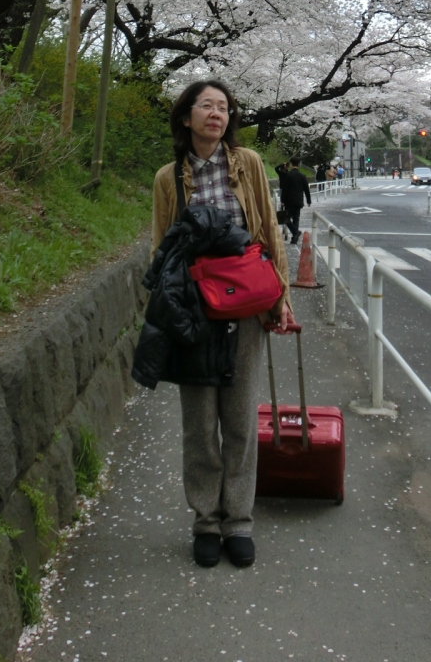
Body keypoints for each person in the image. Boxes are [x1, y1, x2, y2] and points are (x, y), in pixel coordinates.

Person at [139, 80, 294, 571]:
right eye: (206, 105)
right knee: (199, 423)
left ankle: (238, 521)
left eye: (223, 107)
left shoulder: (246, 164)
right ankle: (206, 520)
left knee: (241, 417)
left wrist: (281, 299)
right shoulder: (169, 177)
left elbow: (269, 231)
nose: (216, 114)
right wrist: (165, 308)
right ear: (186, 118)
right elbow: (160, 245)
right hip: (194, 308)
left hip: (246, 303)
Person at [278, 155, 312, 244]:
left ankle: (295, 232)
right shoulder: (302, 176)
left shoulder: (288, 175)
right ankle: (294, 238)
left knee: (286, 218)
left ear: (291, 164)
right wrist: (308, 200)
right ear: (298, 164)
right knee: (296, 219)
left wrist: (282, 200)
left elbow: (285, 189)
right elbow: (306, 189)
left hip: (289, 201)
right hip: (299, 200)